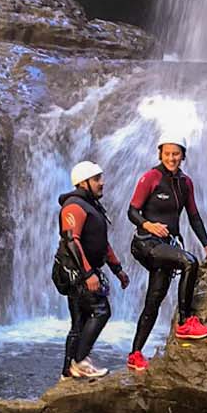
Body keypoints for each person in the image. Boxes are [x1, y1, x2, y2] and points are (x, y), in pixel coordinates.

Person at [125, 135, 207, 371]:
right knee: (189, 262)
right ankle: (185, 322)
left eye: (176, 154)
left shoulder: (185, 183)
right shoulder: (151, 177)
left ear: (183, 155)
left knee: (154, 300)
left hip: (166, 246)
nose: (171, 158)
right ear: (160, 153)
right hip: (145, 243)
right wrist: (147, 225)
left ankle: (135, 354)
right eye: (167, 153)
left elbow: (194, 216)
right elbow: (132, 211)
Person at [55, 159, 129, 381]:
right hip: (75, 272)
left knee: (79, 321)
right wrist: (88, 274)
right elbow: (71, 241)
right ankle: (79, 361)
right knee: (100, 311)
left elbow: (101, 244)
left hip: (80, 271)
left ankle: (69, 370)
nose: (102, 183)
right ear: (83, 183)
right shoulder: (74, 206)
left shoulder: (91, 206)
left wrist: (118, 270)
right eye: (97, 179)